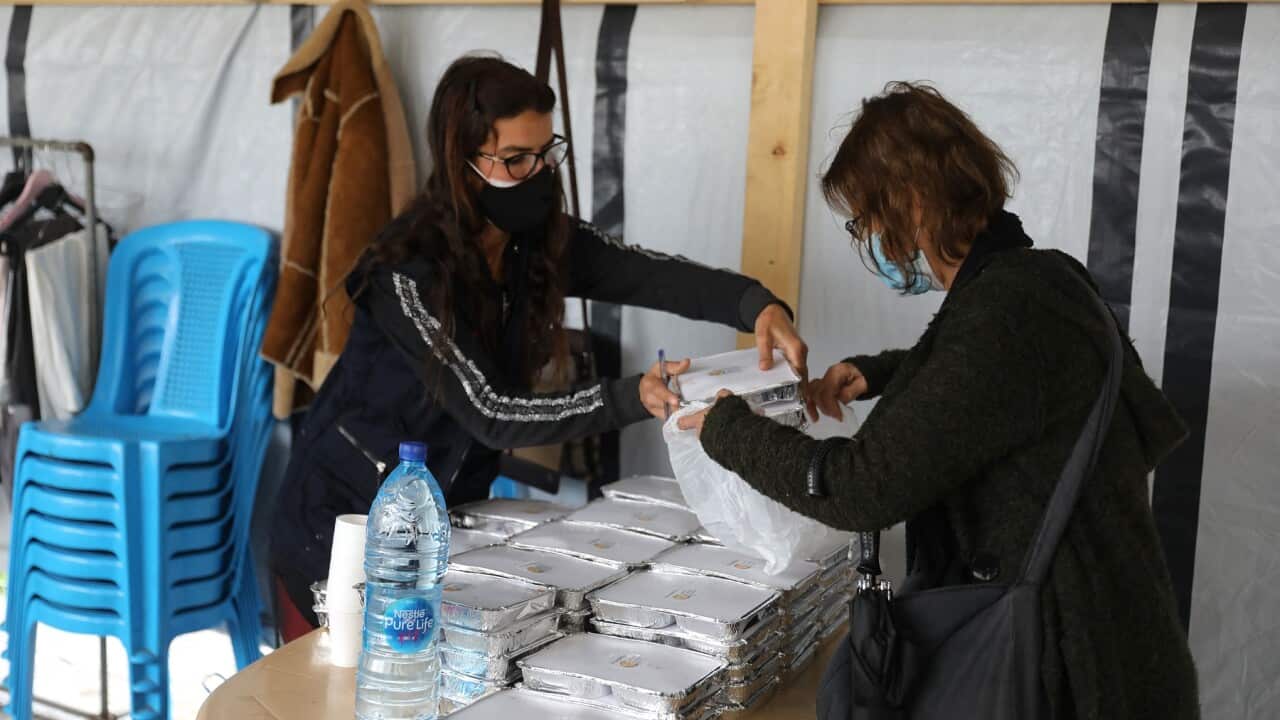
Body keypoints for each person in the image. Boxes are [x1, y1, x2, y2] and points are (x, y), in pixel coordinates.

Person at [679, 82, 1199, 719]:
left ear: (911, 203)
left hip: (1071, 667)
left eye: (866, 218)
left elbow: (859, 488)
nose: (868, 237)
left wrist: (728, 427)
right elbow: (1010, 386)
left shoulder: (1008, 311)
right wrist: (882, 372)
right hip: (1109, 631)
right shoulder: (1041, 278)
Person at [269, 55, 808, 639]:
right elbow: (493, 413)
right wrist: (633, 397)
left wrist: (756, 304)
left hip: (441, 523)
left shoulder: (536, 243)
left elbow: (646, 273)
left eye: (547, 152)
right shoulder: (409, 272)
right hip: (337, 532)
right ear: (462, 163)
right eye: (516, 160)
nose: (540, 172)